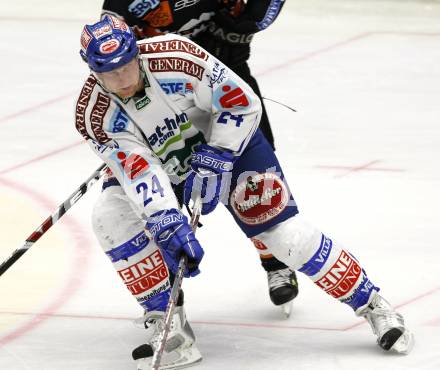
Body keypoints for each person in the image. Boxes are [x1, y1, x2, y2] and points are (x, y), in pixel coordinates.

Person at [75, 16, 414, 370]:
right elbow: (139, 168)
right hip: (165, 166)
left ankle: (373, 303)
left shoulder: (177, 55)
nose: (124, 79)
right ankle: (168, 323)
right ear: (92, 70)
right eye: (111, 74)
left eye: (128, 66)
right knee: (110, 215)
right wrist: (166, 219)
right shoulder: (93, 115)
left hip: (231, 146)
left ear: (136, 51)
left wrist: (219, 153)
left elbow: (241, 102)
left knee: (285, 237)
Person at [99, 0, 299, 311]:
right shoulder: (123, 6)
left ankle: (275, 260)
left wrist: (245, 27)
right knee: (155, 195)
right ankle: (168, 298)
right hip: (157, 96)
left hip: (219, 75)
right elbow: (111, 60)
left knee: (256, 170)